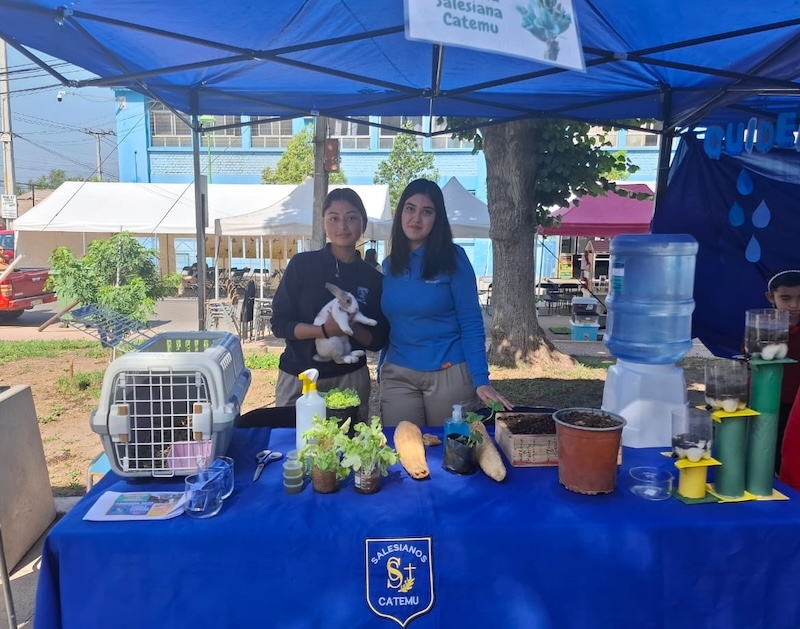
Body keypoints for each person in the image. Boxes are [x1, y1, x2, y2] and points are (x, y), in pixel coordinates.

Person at [379, 178, 512, 427]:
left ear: (437, 219)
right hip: (398, 375)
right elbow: (391, 325)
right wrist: (380, 367)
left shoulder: (454, 260)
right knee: (401, 452)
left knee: (451, 454)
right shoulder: (389, 265)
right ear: (400, 214)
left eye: (426, 211)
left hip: (449, 373)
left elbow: (471, 323)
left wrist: (481, 379)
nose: (416, 218)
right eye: (410, 209)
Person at [270, 188, 389, 421]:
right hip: (300, 378)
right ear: (324, 223)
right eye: (333, 218)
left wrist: (351, 324)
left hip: (350, 379)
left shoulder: (374, 278)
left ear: (363, 224)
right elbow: (280, 323)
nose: (342, 226)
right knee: (294, 447)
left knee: (349, 451)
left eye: (351, 217)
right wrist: (324, 330)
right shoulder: (302, 265)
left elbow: (378, 340)